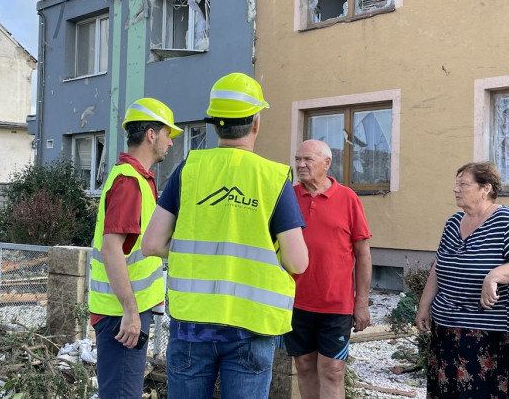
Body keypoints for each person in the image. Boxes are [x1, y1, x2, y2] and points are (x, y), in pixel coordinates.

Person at [141, 72, 309, 399]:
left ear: (215, 125)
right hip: (252, 328)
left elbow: (152, 244)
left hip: (191, 326)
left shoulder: (188, 169)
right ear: (256, 123)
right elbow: (298, 261)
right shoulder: (274, 178)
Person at [415, 162, 509, 398]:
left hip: (487, 332)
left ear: (486, 188)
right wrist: (424, 305)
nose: (455, 189)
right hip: (446, 326)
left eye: (463, 184)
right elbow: (439, 265)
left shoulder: (506, 220)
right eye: (456, 183)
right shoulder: (454, 222)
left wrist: (495, 274)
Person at [88, 97, 181, 398]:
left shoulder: (138, 179)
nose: (170, 143)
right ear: (152, 134)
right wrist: (130, 311)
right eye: (168, 134)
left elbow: (142, 246)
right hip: (123, 316)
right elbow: (111, 248)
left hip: (125, 312)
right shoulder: (130, 181)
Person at [284, 139, 372, 399]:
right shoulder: (287, 196)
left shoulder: (348, 198)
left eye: (307, 160)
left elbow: (363, 254)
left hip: (336, 304)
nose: (300, 164)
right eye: (298, 159)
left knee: (333, 370)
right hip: (296, 301)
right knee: (304, 365)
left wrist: (362, 301)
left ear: (327, 163)